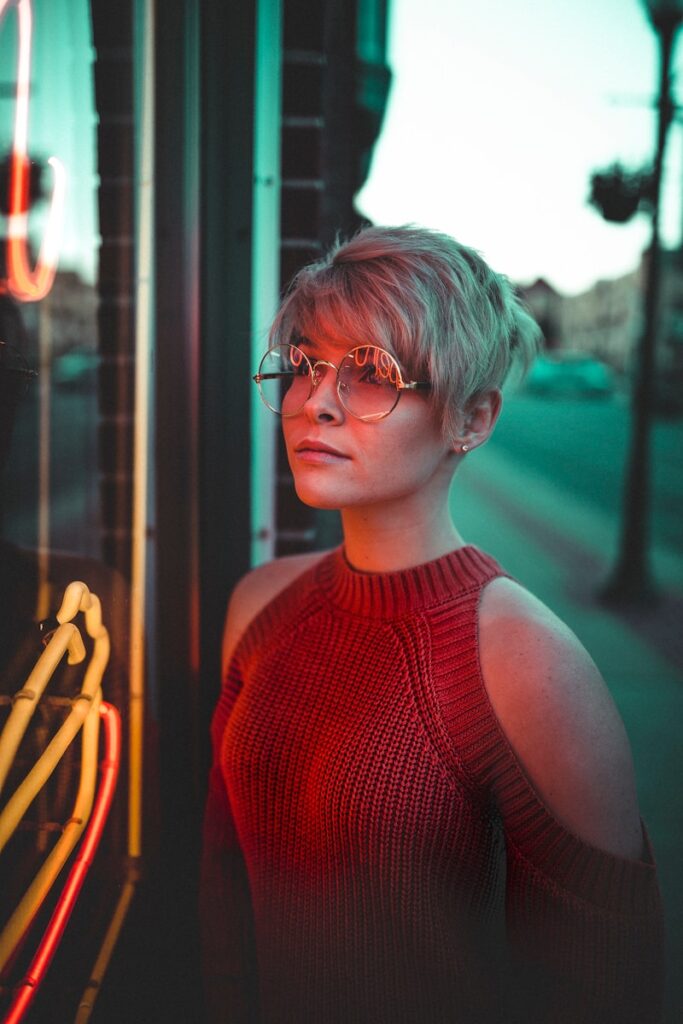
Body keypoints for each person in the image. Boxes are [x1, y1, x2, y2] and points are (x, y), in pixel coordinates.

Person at [200, 225, 664, 1024]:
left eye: (372, 372)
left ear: (471, 419)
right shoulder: (259, 607)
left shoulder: (527, 664)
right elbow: (222, 894)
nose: (317, 401)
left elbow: (606, 985)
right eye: (305, 363)